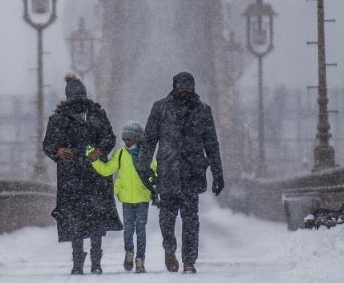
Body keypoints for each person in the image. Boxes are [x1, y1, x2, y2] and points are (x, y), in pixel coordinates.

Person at [137, 71, 223, 274]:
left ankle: (189, 260)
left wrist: (218, 173)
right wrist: (144, 167)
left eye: (188, 84)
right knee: (167, 216)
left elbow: (211, 143)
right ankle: (169, 249)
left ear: (193, 86)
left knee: (191, 217)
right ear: (174, 86)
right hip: (168, 170)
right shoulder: (160, 108)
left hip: (192, 171)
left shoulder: (203, 110)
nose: (184, 88)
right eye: (181, 84)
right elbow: (149, 140)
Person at [43, 73, 122, 275]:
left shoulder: (97, 114)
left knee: (94, 217)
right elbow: (48, 144)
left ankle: (95, 260)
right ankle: (78, 261)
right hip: (71, 176)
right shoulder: (58, 118)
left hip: (94, 174)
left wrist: (100, 150)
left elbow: (109, 138)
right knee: (76, 218)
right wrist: (57, 151)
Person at [88, 121, 158, 273]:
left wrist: (155, 186)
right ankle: (129, 253)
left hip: (142, 198)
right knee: (128, 230)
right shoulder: (120, 154)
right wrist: (94, 161)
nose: (127, 142)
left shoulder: (146, 154)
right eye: (125, 139)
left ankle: (140, 259)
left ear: (138, 139)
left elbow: (155, 172)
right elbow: (107, 170)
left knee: (140, 229)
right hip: (126, 198)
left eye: (130, 139)